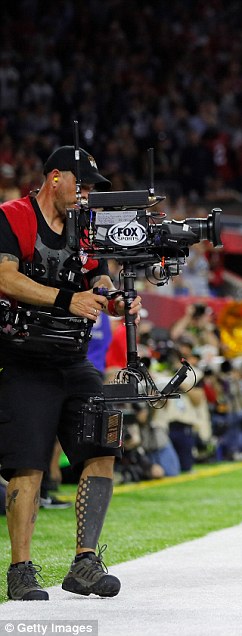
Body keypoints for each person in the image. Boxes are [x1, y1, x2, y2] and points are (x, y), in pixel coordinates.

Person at [0, 145, 142, 600]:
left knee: (102, 444)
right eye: (80, 184)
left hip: (73, 360)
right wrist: (67, 299)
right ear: (54, 177)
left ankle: (84, 562)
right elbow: (4, 277)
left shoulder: (85, 230)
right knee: (28, 462)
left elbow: (98, 280)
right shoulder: (12, 216)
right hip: (22, 357)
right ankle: (20, 570)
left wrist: (116, 299)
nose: (85, 194)